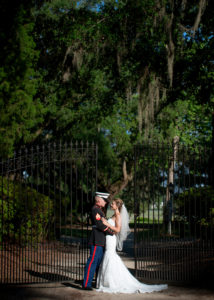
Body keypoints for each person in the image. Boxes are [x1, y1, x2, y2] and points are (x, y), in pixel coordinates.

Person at [96, 198, 168, 294]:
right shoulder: (113, 214)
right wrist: (104, 221)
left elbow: (117, 229)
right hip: (108, 238)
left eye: (112, 203)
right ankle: (107, 281)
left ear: (117, 206)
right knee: (109, 256)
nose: (111, 204)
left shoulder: (118, 215)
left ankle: (111, 282)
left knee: (110, 256)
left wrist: (107, 224)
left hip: (112, 238)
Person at [82, 192, 114, 290]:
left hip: (100, 239)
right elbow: (100, 225)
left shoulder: (99, 210)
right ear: (99, 200)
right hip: (97, 239)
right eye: (104, 201)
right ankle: (86, 284)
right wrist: (111, 231)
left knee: (98, 262)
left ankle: (95, 282)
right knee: (93, 261)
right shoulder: (96, 210)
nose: (105, 203)